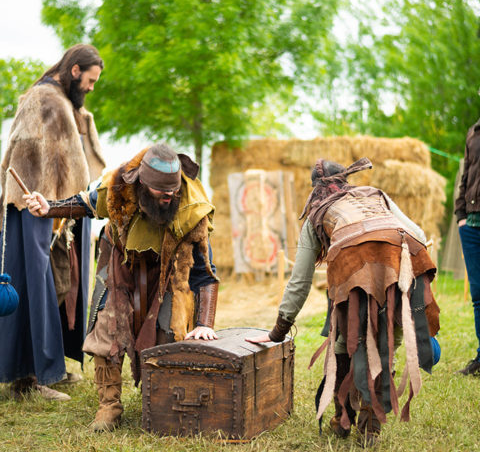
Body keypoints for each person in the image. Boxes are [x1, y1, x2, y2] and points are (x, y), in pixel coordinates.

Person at [25, 143, 220, 431]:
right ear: (142, 184)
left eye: (174, 192)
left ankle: (161, 400)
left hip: (167, 270)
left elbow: (205, 274)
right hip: (119, 259)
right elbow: (85, 204)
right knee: (107, 329)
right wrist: (48, 208)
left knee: (169, 335)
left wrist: (204, 322)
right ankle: (109, 405)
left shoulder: (192, 209)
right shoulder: (117, 188)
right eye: (162, 193)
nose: (170, 198)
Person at [247, 157, 439, 446]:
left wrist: (278, 330)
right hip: (404, 259)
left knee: (347, 340)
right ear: (346, 180)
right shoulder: (374, 194)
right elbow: (419, 234)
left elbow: (300, 280)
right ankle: (369, 425)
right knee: (386, 339)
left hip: (356, 263)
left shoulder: (317, 212)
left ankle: (342, 419)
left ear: (315, 188)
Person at [0, 44, 106, 401]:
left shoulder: (65, 102)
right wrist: (37, 200)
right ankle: (29, 377)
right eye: (90, 80)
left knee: (67, 280)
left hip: (60, 208)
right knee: (33, 282)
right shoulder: (42, 98)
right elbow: (22, 152)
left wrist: (64, 207)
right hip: (32, 204)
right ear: (75, 70)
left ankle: (54, 366)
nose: (92, 87)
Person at [455, 119, 480, 376]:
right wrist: (460, 213)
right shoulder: (473, 132)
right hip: (471, 223)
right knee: (479, 294)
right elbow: (466, 174)